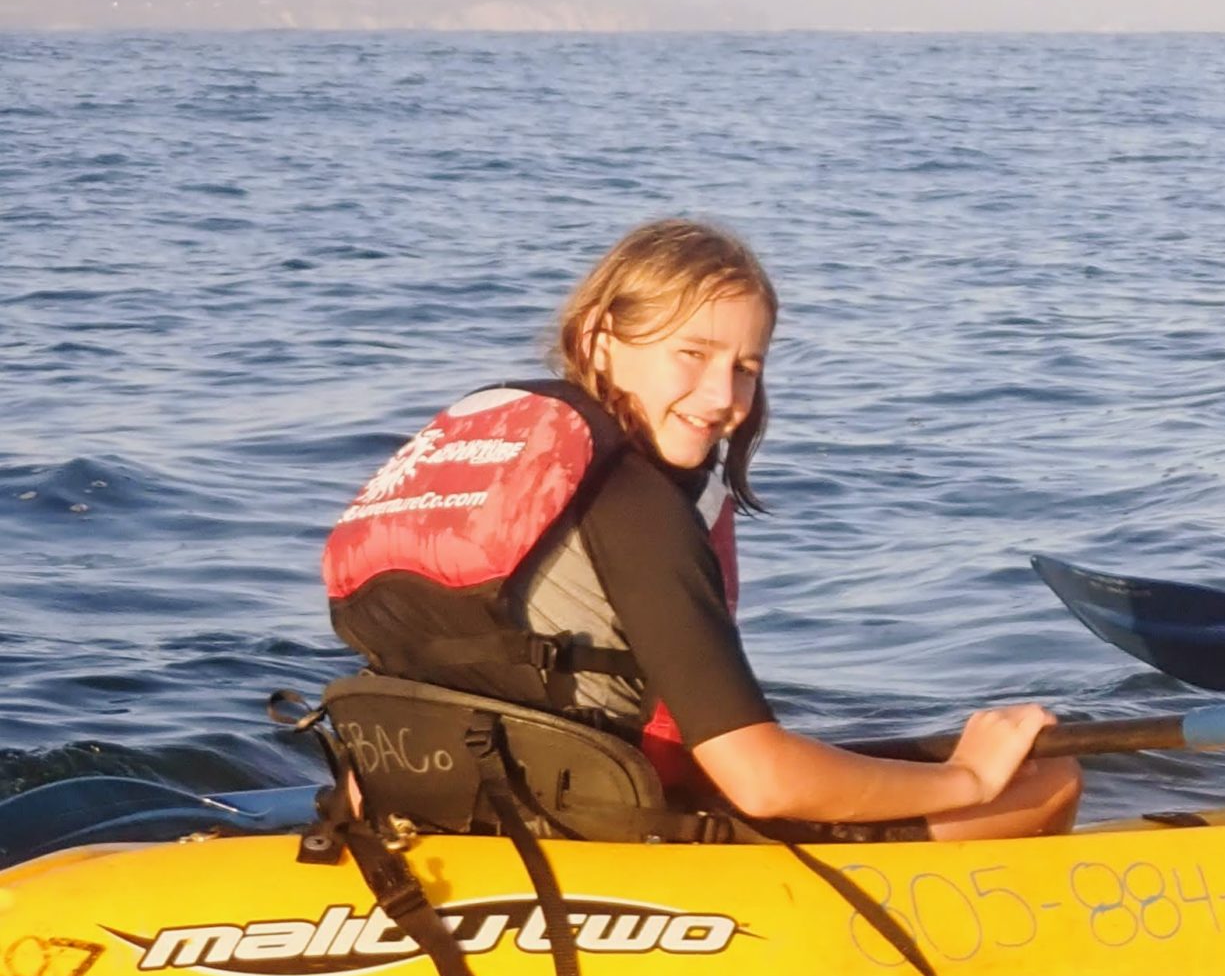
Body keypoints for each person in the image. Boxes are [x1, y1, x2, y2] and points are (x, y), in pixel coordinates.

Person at [324, 217, 1079, 840]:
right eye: (693, 354)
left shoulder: (488, 459)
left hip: (422, 808)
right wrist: (966, 776)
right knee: (1043, 785)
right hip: (593, 838)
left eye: (746, 367)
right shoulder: (637, 505)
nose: (723, 397)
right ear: (597, 340)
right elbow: (759, 780)